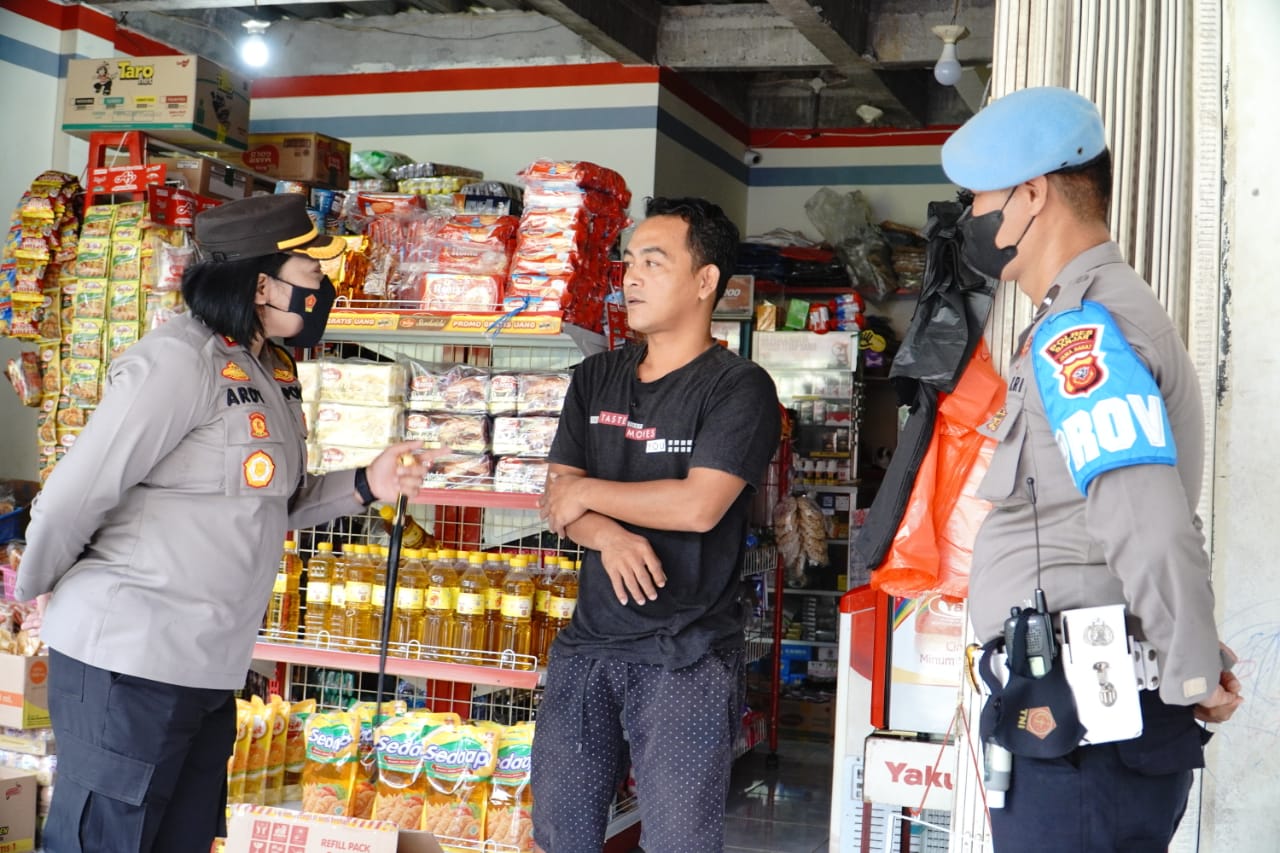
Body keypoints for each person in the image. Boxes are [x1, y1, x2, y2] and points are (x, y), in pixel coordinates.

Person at [16, 193, 426, 853]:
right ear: (262, 284)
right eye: (312, 273)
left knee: (181, 839)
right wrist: (34, 587)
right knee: (106, 841)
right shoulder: (176, 361)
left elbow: (271, 501)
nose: (322, 288)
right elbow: (75, 493)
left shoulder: (265, 372)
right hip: (128, 659)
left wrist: (365, 484)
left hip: (208, 667)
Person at [942, 87, 1243, 851]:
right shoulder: (1078, 315)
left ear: (1031, 194)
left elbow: (1147, 519)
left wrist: (1191, 669)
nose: (971, 217)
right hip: (1079, 721)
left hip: (1083, 735)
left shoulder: (1082, 331)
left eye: (980, 199)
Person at [532, 197, 781, 853]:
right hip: (589, 643)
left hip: (687, 653)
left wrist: (587, 493)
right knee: (559, 832)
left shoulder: (740, 388)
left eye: (653, 262)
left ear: (705, 280)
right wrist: (608, 534)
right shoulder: (596, 377)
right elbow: (557, 500)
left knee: (678, 842)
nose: (631, 278)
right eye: (628, 263)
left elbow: (699, 505)